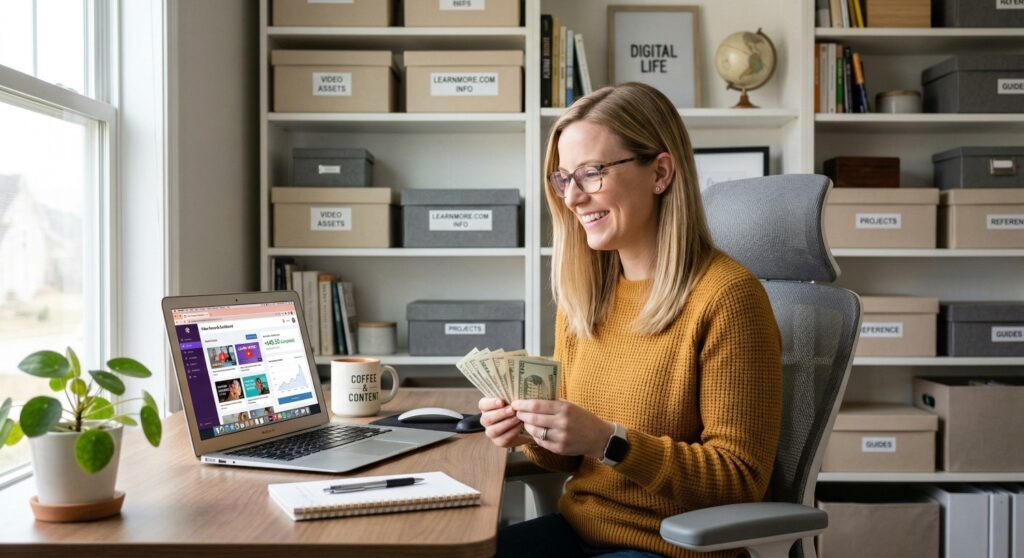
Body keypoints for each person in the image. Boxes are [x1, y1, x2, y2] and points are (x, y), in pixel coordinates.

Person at [479, 83, 783, 558]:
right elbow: (570, 457)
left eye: (592, 173)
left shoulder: (727, 298)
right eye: (563, 179)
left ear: (660, 173)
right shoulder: (586, 297)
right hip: (579, 533)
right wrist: (531, 432)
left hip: (668, 549)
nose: (572, 198)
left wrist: (608, 441)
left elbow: (740, 480)